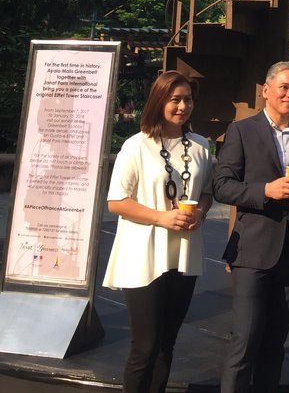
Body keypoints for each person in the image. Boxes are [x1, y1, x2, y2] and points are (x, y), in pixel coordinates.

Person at [212, 60, 289, 393]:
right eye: (285, 87)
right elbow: (222, 186)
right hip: (253, 252)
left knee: (275, 345)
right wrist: (265, 191)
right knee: (245, 342)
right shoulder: (242, 131)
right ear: (267, 90)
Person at [103, 71, 213, 393]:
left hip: (183, 254)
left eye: (188, 99)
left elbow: (206, 191)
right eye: (175, 99)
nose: (182, 106)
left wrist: (202, 212)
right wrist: (160, 218)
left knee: (167, 345)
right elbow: (116, 202)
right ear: (159, 100)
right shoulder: (136, 146)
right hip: (143, 255)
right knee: (145, 346)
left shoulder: (201, 146)